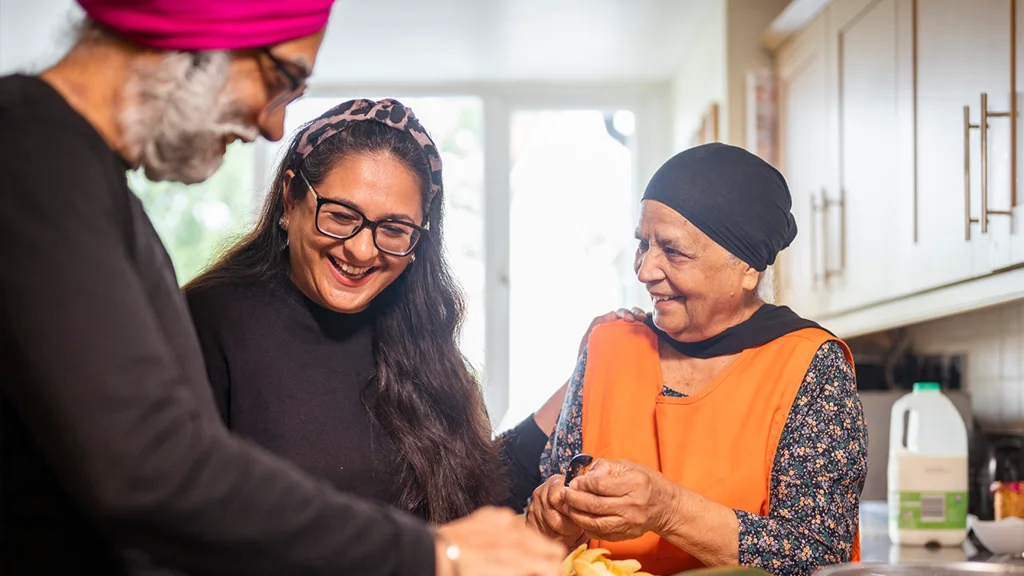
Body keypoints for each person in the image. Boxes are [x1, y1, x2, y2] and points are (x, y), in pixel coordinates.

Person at [0, 2, 564, 575]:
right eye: (280, 79)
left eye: (393, 230)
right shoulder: (27, 147)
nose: (271, 125)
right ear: (201, 25)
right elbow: (147, 464)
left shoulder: (84, 175)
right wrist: (430, 553)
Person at [527, 143, 868, 576]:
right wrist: (552, 524)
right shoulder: (607, 347)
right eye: (643, 243)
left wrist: (668, 510)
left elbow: (818, 555)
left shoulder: (809, 365)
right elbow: (545, 523)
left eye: (672, 250)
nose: (645, 270)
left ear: (746, 268)